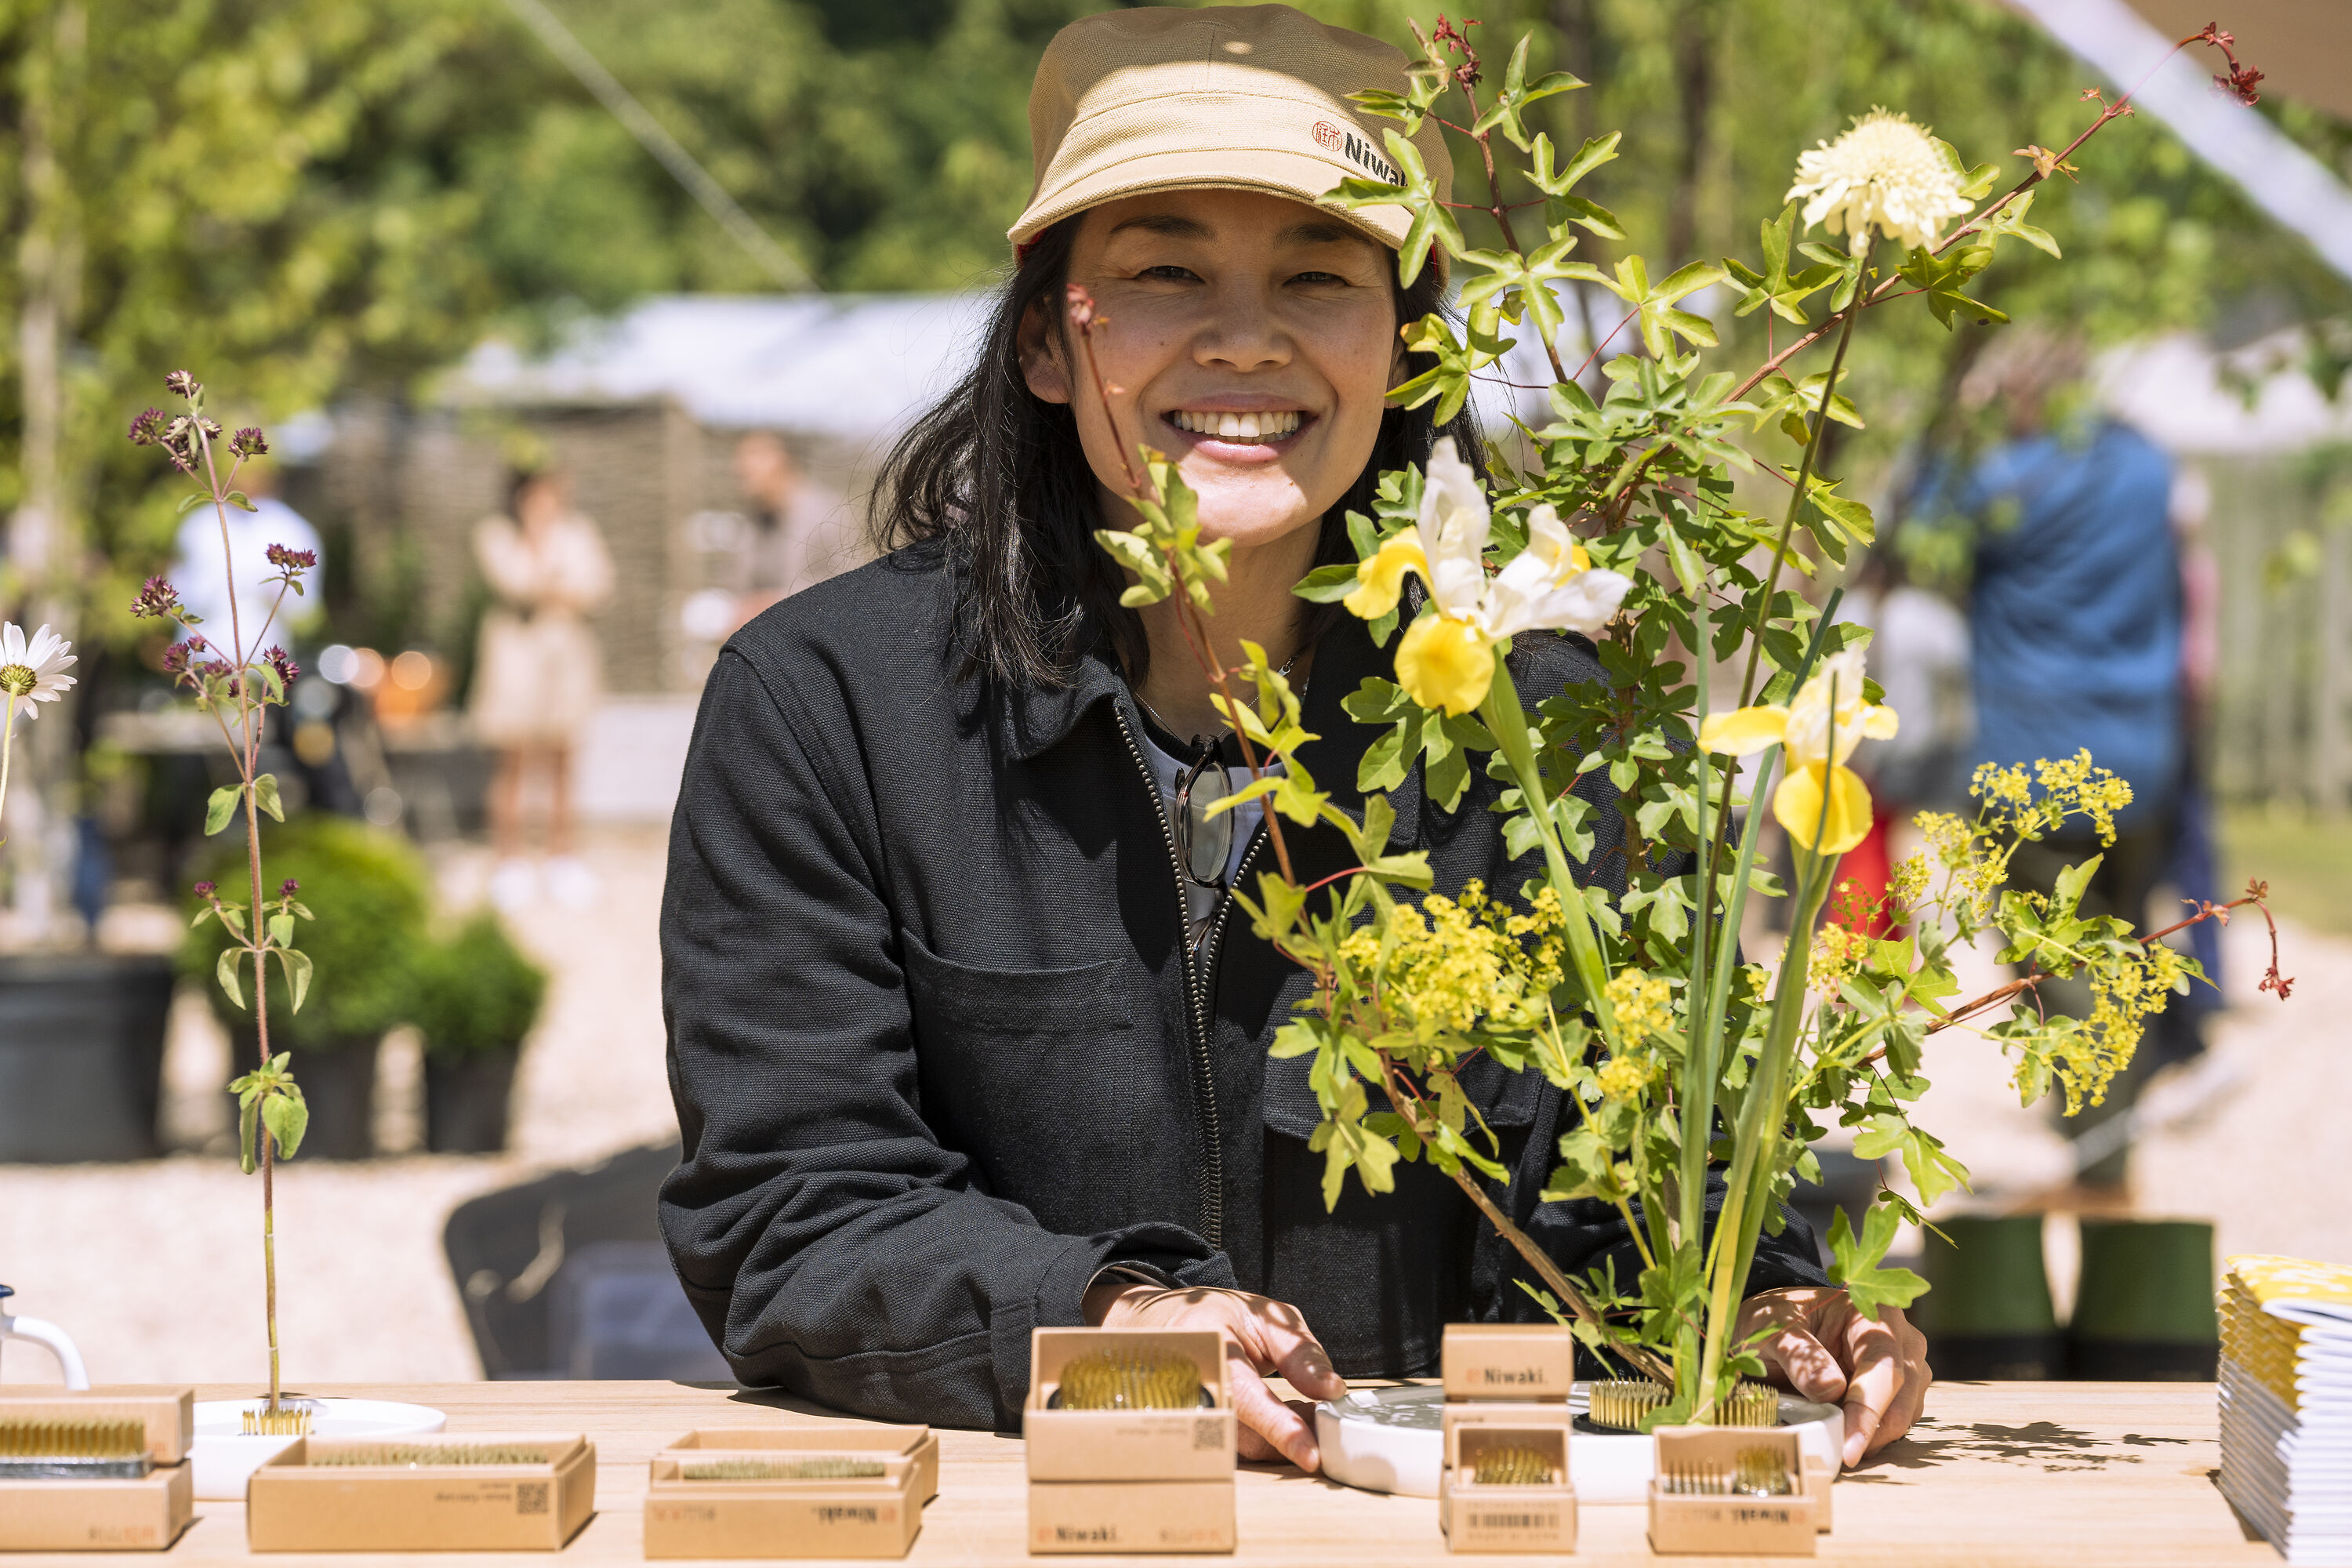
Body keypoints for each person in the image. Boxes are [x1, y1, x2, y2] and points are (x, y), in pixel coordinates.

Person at [658, 3, 1929, 1473]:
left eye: (1318, 277)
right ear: (1049, 347)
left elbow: (1639, 1183)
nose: (1247, 338)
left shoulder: (1555, 722)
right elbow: (791, 1210)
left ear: (1408, 351)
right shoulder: (825, 706)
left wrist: (1765, 1297)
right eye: (1165, 271)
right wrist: (1110, 1323)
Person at [1957, 331, 2204, 1189]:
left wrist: (1963, 422)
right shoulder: (2146, 467)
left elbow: (1911, 534)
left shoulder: (2002, 483)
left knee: (2059, 967)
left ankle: (2104, 1160)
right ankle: (2115, 1145)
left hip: (2036, 766)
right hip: (2142, 759)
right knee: (2125, 950)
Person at [469, 466, 614, 910]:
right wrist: (550, 571)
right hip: (515, 658)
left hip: (566, 658)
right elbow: (516, 583)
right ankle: (509, 859)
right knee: (512, 759)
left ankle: (562, 856)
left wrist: (555, 587)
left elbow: (598, 585)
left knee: (564, 758)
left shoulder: (579, 530)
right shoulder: (496, 533)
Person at [169, 461, 322, 654]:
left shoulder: (292, 530)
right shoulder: (197, 526)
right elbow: (178, 587)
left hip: (262, 656)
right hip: (199, 655)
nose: (246, 481)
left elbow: (304, 609)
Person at [728, 430, 849, 630]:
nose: (740, 467)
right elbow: (741, 588)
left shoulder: (828, 515)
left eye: (754, 456)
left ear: (782, 461)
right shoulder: (754, 520)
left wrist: (776, 601)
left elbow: (849, 589)